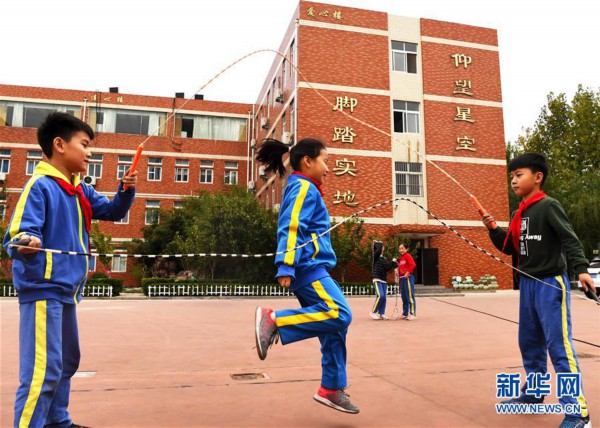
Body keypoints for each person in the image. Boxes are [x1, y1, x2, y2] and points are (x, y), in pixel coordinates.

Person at [3, 112, 137, 428]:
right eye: (85, 144)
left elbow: (114, 210)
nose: (89, 153)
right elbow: (17, 234)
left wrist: (126, 189)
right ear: (60, 144)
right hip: (43, 289)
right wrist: (27, 239)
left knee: (65, 363)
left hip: (67, 291)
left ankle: (57, 421)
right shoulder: (40, 186)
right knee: (42, 370)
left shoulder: (80, 190)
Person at [482, 152, 594, 428]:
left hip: (549, 284)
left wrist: (580, 269)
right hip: (527, 285)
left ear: (538, 177)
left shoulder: (548, 206)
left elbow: (570, 238)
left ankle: (578, 414)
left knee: (559, 346)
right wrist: (493, 228)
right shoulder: (519, 213)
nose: (514, 181)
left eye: (519, 175)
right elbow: (510, 248)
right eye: (511, 177)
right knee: (530, 344)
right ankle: (534, 392)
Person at [253, 138, 358, 414]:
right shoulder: (302, 187)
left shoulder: (307, 188)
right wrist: (286, 265)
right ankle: (274, 320)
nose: (328, 168)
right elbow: (291, 225)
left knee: (335, 326)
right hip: (308, 269)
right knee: (339, 313)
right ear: (307, 161)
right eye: (325, 160)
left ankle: (332, 388)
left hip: (316, 268)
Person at [370, 240, 398, 320]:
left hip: (383, 280)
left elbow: (387, 268)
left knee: (384, 297)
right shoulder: (376, 256)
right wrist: (380, 243)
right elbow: (378, 250)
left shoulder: (384, 258)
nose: (383, 248)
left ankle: (381, 313)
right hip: (377, 279)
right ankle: (373, 312)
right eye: (381, 247)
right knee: (380, 296)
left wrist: (393, 262)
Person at [397, 243, 417, 320]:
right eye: (400, 249)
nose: (401, 250)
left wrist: (408, 272)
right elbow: (401, 267)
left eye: (402, 248)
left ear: (406, 249)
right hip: (402, 279)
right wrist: (397, 271)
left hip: (408, 278)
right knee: (404, 297)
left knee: (410, 296)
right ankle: (405, 313)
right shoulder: (401, 257)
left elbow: (413, 265)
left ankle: (412, 313)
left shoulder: (407, 255)